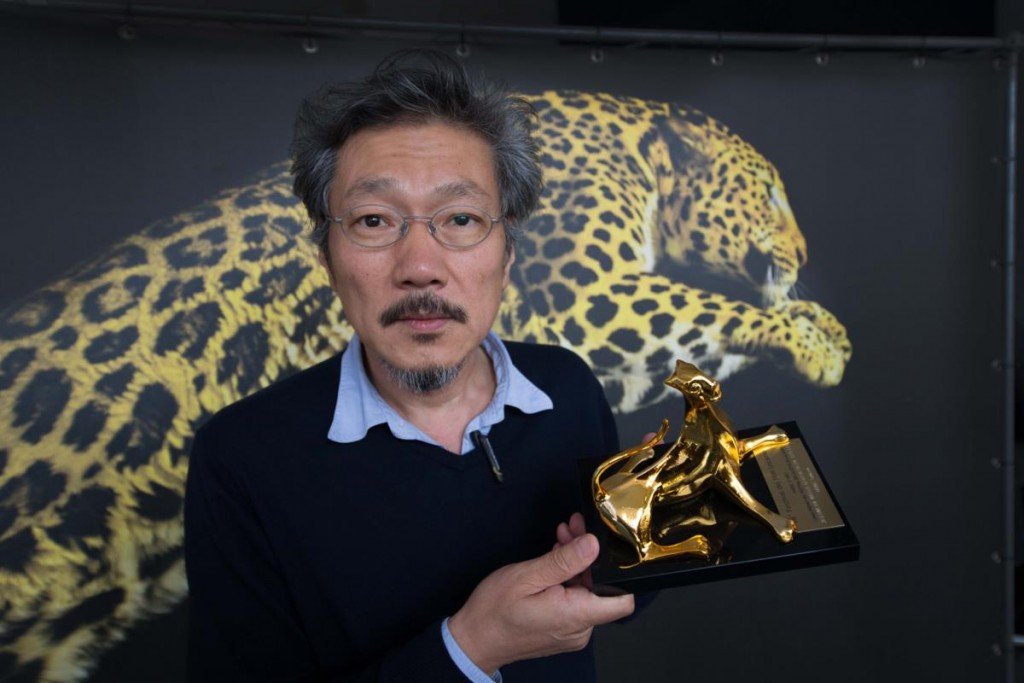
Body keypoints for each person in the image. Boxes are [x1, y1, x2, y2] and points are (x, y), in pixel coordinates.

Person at [184, 50, 635, 682]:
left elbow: (611, 592)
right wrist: (469, 649)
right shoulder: (239, 458)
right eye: (374, 220)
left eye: (460, 218)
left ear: (508, 253)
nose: (420, 265)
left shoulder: (568, 389)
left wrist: (622, 561)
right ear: (327, 258)